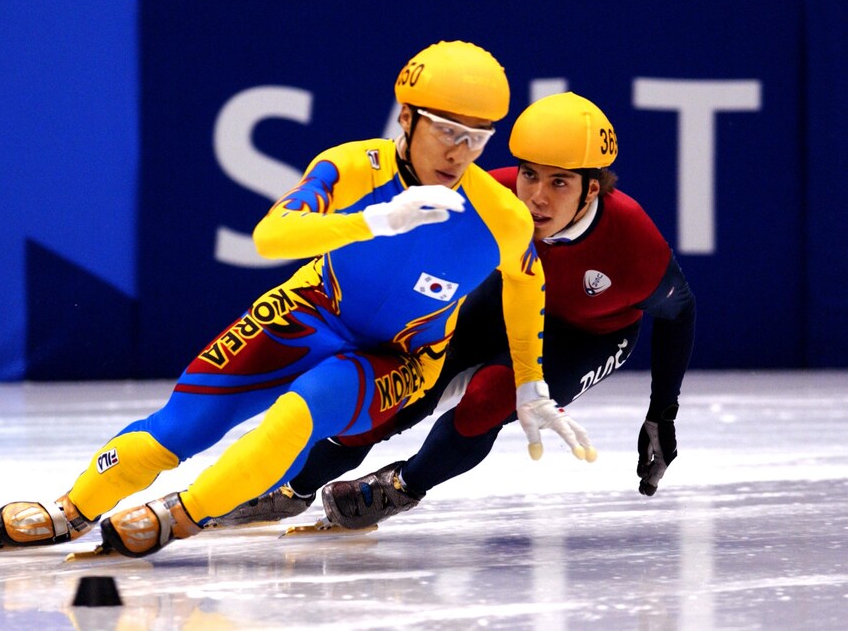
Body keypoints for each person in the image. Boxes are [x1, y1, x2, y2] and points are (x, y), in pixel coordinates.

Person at [0, 41, 595, 558]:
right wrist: (374, 221)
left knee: (300, 413)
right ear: (406, 118)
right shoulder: (353, 168)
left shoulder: (503, 218)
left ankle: (179, 517)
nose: (460, 153)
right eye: (447, 132)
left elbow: (526, 283)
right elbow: (271, 234)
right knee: (183, 424)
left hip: (402, 356)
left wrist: (530, 382)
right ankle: (73, 507)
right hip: (311, 308)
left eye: (477, 138)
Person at [216, 92, 695, 530]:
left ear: (592, 191)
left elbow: (680, 312)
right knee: (399, 389)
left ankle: (405, 485)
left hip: (588, 335)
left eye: (560, 182)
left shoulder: (633, 245)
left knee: (490, 396)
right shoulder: (492, 195)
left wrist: (662, 415)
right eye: (529, 174)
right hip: (503, 301)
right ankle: (292, 487)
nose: (537, 197)